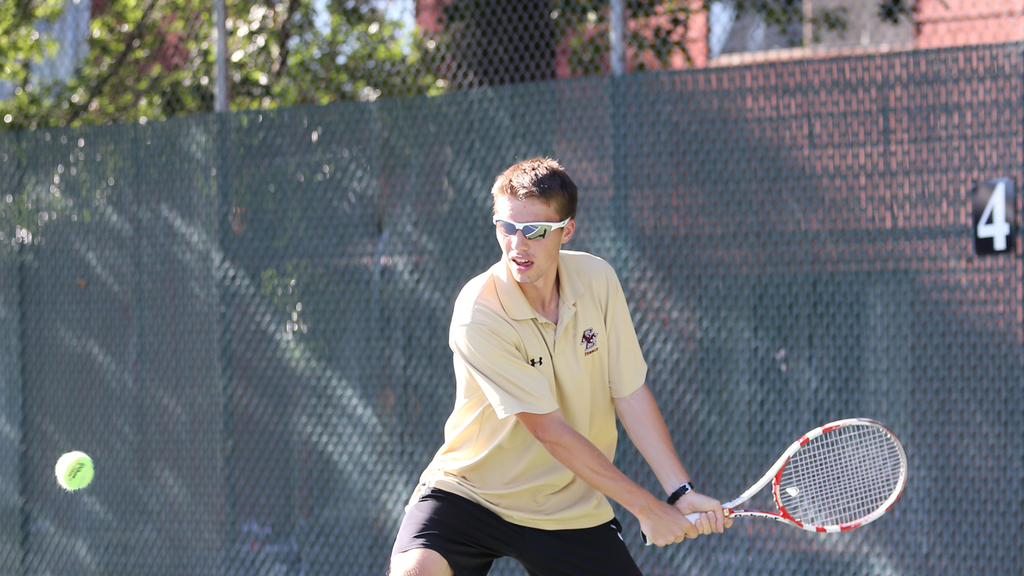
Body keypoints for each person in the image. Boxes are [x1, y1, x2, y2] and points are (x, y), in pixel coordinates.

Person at [389, 158, 731, 576]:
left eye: (535, 230)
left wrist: (680, 492)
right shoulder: (478, 313)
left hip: (570, 509)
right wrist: (646, 509)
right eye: (506, 227)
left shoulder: (598, 279)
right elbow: (550, 431)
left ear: (567, 230)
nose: (518, 244)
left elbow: (627, 391)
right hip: (471, 494)